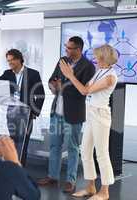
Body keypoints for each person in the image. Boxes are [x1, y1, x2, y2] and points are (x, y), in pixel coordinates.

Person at [38, 36, 95, 193]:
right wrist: (53, 86)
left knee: (72, 147)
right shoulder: (62, 60)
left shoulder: (88, 67)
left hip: (74, 114)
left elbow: (83, 91)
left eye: (69, 48)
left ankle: (71, 180)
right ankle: (53, 176)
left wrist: (63, 84)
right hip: (57, 111)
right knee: (54, 145)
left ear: (78, 49)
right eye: (66, 47)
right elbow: (52, 80)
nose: (66, 50)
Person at [60, 44, 118, 200]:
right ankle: (91, 187)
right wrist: (81, 84)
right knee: (85, 150)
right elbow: (85, 88)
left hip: (100, 115)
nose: (94, 58)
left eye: (96, 56)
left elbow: (85, 90)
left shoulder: (110, 76)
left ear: (103, 58)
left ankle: (104, 191)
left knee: (102, 153)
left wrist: (71, 75)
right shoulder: (99, 72)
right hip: (91, 113)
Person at [0, 49, 45, 166]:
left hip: (26, 114)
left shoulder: (33, 74)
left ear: (19, 59)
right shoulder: (8, 73)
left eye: (12, 60)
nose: (10, 63)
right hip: (11, 113)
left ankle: (20, 169)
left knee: (23, 144)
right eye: (8, 61)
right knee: (13, 142)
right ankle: (13, 167)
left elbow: (41, 95)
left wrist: (34, 113)